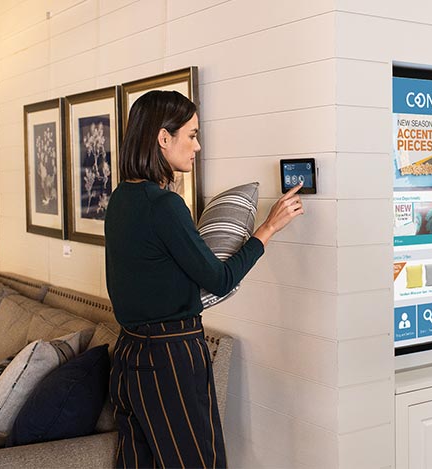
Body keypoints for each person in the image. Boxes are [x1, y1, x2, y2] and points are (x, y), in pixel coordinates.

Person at [104, 90, 303, 468]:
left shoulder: (121, 199)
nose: (198, 145)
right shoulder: (163, 205)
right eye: (192, 135)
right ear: (164, 138)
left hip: (128, 356)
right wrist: (268, 228)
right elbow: (220, 278)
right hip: (170, 358)